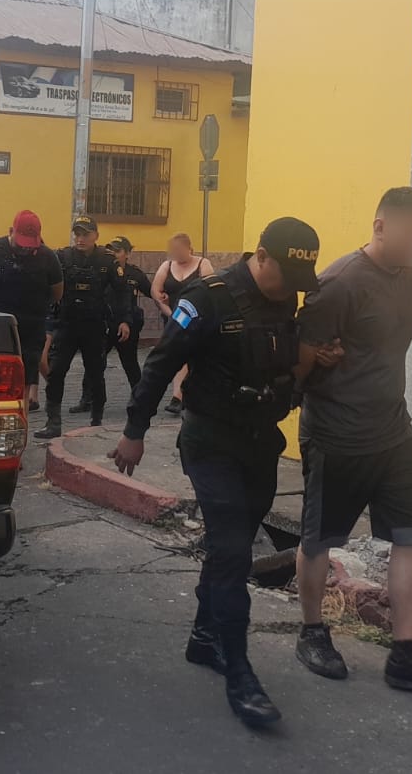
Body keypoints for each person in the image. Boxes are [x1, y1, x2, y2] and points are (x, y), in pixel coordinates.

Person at [112, 218, 322, 728]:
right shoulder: (206, 297)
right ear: (263, 257)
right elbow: (161, 364)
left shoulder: (283, 298)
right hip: (211, 443)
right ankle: (240, 672)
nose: (293, 287)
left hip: (260, 444)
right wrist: (134, 431)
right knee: (231, 550)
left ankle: (204, 639)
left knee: (233, 544)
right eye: (287, 273)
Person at [290, 186, 412, 699]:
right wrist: (321, 363)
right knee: (318, 540)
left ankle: (406, 654)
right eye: (410, 232)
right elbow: (299, 367)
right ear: (380, 225)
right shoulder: (339, 284)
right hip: (336, 436)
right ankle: (312, 632)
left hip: (393, 431)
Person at [34, 215, 131, 438]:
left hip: (94, 325)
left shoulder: (107, 261)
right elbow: (47, 284)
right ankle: (53, 422)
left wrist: (125, 320)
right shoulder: (63, 257)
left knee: (96, 373)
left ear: (96, 236)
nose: (80, 239)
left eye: (85, 234)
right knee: (56, 372)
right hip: (66, 324)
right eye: (77, 234)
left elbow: (123, 291)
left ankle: (96, 420)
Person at [0, 210, 63, 411]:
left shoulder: (47, 257)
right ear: (11, 231)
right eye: (21, 244)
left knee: (22, 389)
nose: (25, 250)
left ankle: (18, 432)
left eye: (30, 245)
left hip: (29, 332)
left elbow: (57, 293)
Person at [71, 236, 151, 413]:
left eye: (117, 250)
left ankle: (141, 400)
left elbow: (153, 292)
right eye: (110, 250)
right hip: (103, 324)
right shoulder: (101, 270)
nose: (113, 254)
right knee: (94, 362)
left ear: (127, 254)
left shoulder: (135, 274)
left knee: (130, 364)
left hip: (126, 326)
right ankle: (87, 399)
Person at [151, 233, 215, 415]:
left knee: (191, 357)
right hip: (173, 318)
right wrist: (168, 312)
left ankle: (179, 396)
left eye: (180, 251)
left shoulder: (203, 264)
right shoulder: (167, 266)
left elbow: (210, 291)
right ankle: (178, 396)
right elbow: (155, 290)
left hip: (196, 319)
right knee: (179, 355)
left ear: (190, 249)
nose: (177, 255)